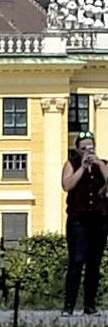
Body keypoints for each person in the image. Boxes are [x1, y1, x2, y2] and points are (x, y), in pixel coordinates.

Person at [66, 131, 108, 315]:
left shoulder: (103, 165)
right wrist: (82, 168)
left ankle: (90, 306)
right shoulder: (72, 164)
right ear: (78, 149)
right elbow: (67, 185)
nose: (88, 151)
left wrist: (99, 164)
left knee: (94, 263)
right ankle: (69, 306)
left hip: (99, 219)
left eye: (90, 147)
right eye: (84, 148)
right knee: (76, 261)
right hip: (78, 220)